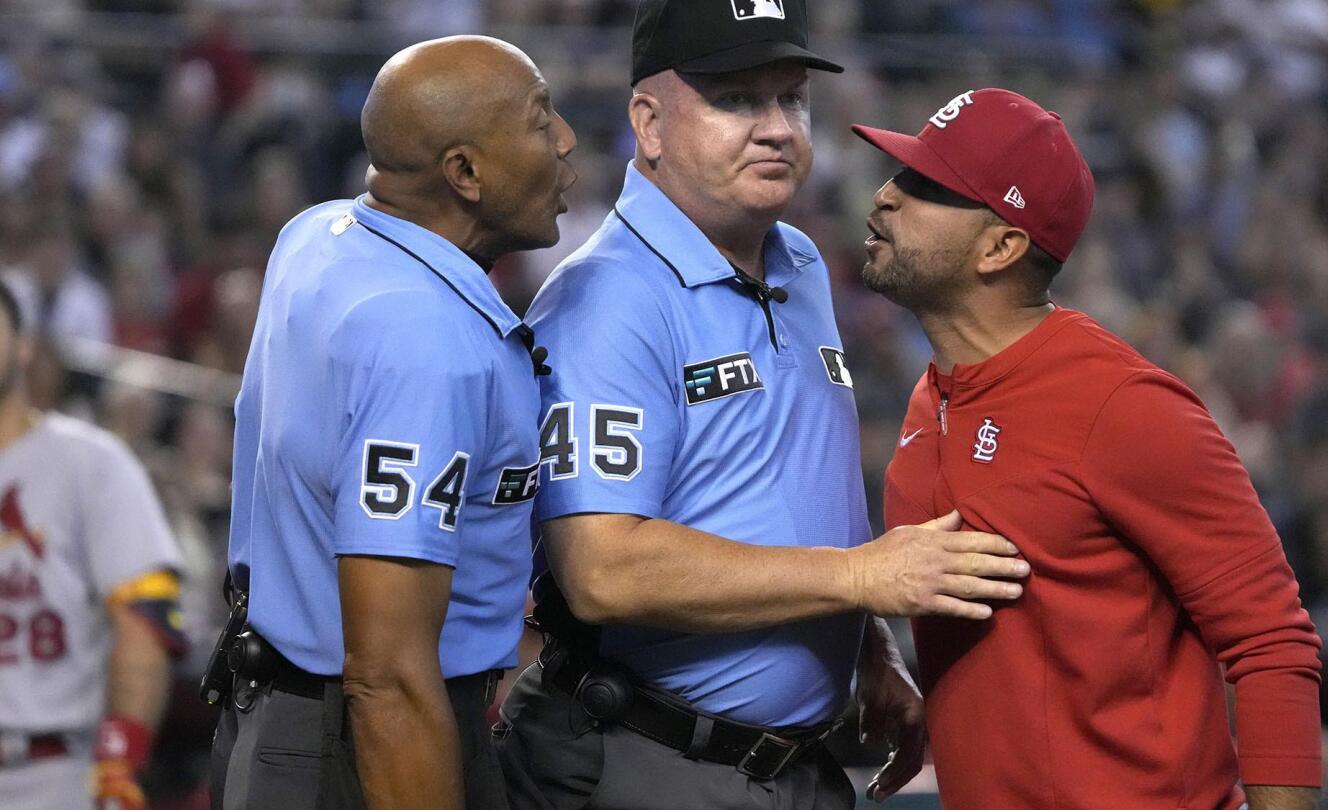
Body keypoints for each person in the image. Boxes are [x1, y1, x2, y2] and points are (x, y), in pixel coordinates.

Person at [494, 3, 1030, 809]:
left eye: (791, 98)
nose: (777, 126)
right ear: (649, 122)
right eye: (736, 100)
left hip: (793, 766)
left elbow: (780, 485)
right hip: (642, 753)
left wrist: (865, 652)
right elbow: (604, 569)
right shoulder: (607, 301)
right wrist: (856, 578)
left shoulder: (803, 261)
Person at [854, 87, 1323, 809]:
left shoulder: (1121, 406)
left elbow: (1271, 642)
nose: (885, 195)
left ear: (1001, 246)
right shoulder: (929, 402)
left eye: (925, 186)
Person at [211, 36, 576, 810]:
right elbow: (386, 674)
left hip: (274, 716)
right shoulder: (424, 343)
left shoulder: (316, 232)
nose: (568, 141)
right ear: (465, 172)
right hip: (360, 748)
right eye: (542, 122)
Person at [0, 279, 186, 810]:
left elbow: (145, 618)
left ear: (25, 345)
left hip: (53, 771)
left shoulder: (88, 462)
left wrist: (119, 762)